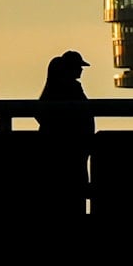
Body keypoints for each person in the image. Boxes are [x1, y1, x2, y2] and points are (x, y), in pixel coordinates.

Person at [36, 51, 95, 211]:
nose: (81, 70)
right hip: (74, 150)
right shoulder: (73, 90)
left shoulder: (53, 90)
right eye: (78, 67)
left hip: (60, 152)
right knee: (75, 195)